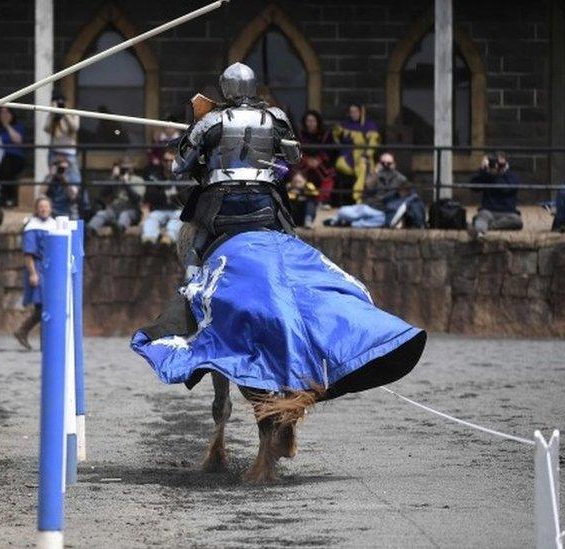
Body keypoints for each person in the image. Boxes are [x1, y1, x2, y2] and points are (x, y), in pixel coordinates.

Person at [133, 64, 424, 482]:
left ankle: (194, 300)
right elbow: (294, 159)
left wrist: (196, 128)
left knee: (195, 255)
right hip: (268, 208)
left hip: (221, 210)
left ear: (225, 89)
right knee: (291, 250)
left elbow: (181, 167)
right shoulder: (275, 116)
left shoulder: (212, 120)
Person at [13, 197, 55, 350]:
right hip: (38, 269)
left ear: (50, 208)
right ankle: (39, 340)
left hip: (50, 271)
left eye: (46, 206)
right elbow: (29, 254)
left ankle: (23, 332)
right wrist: (33, 273)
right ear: (37, 209)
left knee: (47, 307)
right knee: (43, 307)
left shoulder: (54, 225)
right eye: (41, 207)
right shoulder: (32, 227)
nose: (44, 209)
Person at [328, 152, 408, 228]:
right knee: (343, 211)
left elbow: (405, 198)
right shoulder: (375, 175)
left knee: (385, 220)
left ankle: (352, 223)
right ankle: (341, 220)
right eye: (383, 163)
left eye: (389, 163)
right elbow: (367, 186)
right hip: (368, 207)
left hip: (381, 212)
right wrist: (376, 172)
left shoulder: (400, 179)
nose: (386, 166)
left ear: (394, 164)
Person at [333, 103, 380, 204]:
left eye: (355, 111)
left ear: (361, 112)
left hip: (362, 155)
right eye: (351, 112)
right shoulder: (345, 124)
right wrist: (337, 131)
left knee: (363, 167)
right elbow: (335, 138)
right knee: (340, 164)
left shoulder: (368, 125)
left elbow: (373, 142)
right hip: (347, 155)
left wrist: (368, 153)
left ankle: (358, 197)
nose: (353, 114)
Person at [469, 152, 523, 237]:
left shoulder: (512, 175)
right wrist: (482, 170)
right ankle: (479, 232)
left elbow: (506, 189)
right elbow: (474, 187)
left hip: (508, 212)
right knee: (482, 216)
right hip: (488, 211)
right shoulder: (486, 175)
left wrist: (496, 175)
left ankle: (487, 227)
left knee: (517, 221)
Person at [87, 158, 144, 236]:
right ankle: (90, 230)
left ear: (132, 168)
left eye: (128, 168)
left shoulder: (138, 180)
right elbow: (103, 193)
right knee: (102, 213)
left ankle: (119, 229)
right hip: (115, 208)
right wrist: (112, 178)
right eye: (123, 168)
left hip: (131, 209)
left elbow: (136, 199)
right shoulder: (116, 179)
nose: (125, 170)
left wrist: (126, 184)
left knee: (125, 215)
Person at [0, 106, 25, 207]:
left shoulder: (18, 126)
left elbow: (18, 140)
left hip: (13, 156)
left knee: (6, 168)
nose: (4, 115)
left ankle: (7, 199)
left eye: (7, 112)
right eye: (1, 113)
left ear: (12, 114)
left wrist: (7, 125)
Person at [141, 150, 184, 244]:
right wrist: (167, 194)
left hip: (176, 209)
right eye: (166, 160)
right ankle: (149, 240)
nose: (168, 163)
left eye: (171, 160)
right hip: (159, 209)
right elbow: (149, 195)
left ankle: (167, 240)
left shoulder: (182, 176)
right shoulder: (156, 176)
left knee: (177, 220)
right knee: (152, 218)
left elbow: (186, 195)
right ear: (162, 161)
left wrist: (162, 192)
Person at [297, 110, 336, 206]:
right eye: (308, 121)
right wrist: (307, 160)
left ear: (317, 122)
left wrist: (319, 159)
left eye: (313, 121)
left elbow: (331, 150)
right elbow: (296, 150)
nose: (311, 123)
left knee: (329, 174)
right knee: (294, 172)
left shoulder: (326, 134)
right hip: (304, 162)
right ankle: (300, 197)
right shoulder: (300, 134)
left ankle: (323, 200)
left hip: (321, 162)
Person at [44, 93, 80, 184]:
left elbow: (75, 127)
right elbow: (46, 129)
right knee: (54, 178)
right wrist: (52, 113)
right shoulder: (53, 115)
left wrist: (65, 113)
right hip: (55, 152)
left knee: (74, 178)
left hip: (69, 152)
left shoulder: (73, 113)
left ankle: (80, 197)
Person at [39, 154, 83, 219]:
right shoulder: (49, 178)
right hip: (51, 212)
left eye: (64, 169)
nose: (62, 171)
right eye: (60, 168)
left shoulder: (71, 177)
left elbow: (73, 196)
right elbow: (41, 193)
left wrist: (65, 180)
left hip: (67, 212)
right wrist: (51, 176)